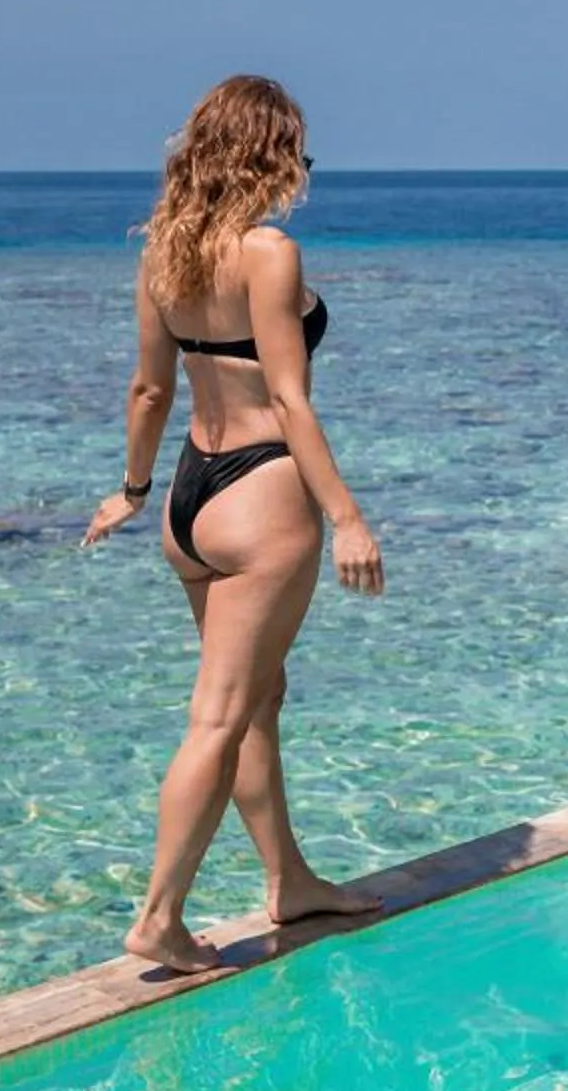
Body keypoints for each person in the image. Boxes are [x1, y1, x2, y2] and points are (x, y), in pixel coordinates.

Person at [82, 76, 385, 971]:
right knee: (219, 715)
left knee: (258, 699)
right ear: (271, 153)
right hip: (262, 494)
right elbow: (289, 399)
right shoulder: (268, 253)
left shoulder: (163, 255)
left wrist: (132, 492)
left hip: (190, 493)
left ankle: (287, 879)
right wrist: (349, 517)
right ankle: (159, 918)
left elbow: (149, 389)